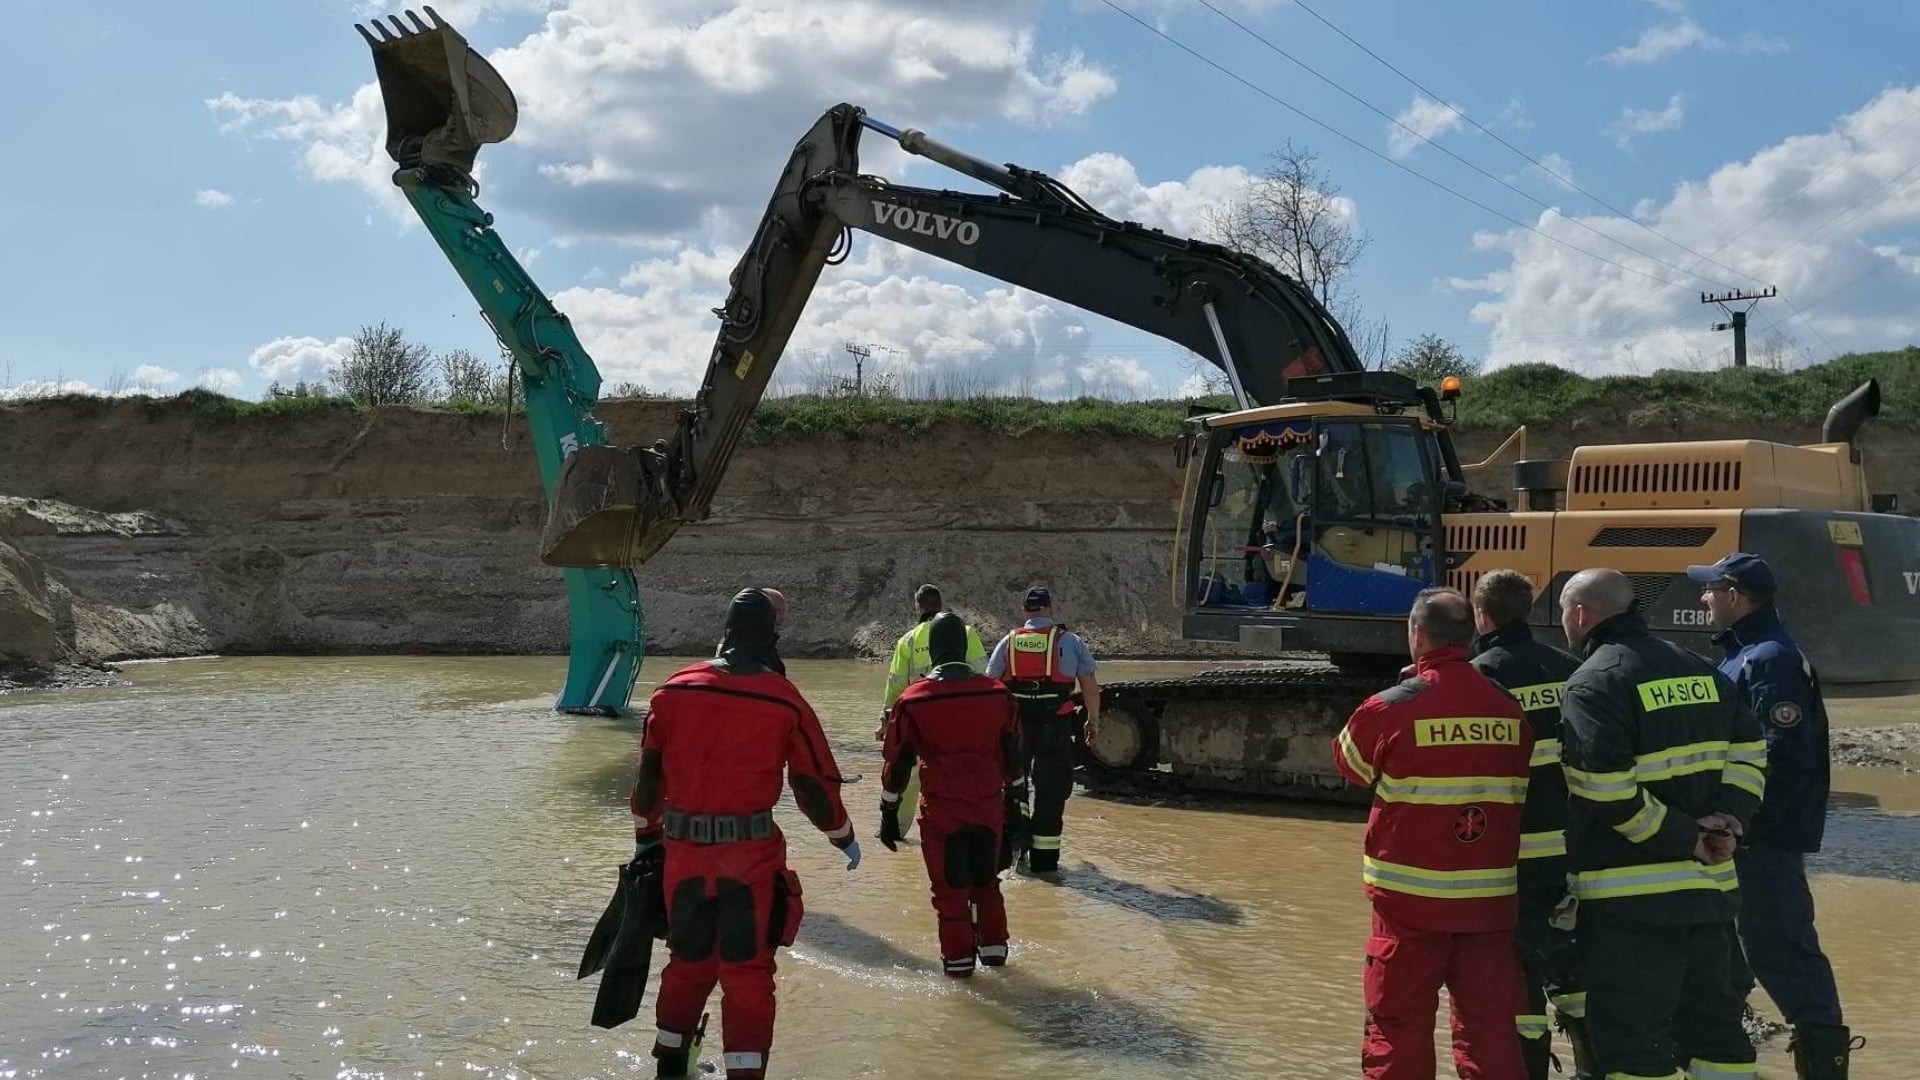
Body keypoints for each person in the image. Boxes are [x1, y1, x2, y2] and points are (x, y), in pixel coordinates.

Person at [628, 588, 861, 1080]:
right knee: (748, 972)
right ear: (771, 634)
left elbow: (648, 780)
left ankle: (670, 1065)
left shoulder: (673, 689)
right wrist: (842, 835)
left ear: (726, 629)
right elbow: (812, 784)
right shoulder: (783, 699)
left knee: (687, 963)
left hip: (683, 852)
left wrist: (646, 838)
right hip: (748, 856)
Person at [1556, 567, 1766, 1080]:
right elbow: (1751, 753)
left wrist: (1687, 839)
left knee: (1632, 1045)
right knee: (1718, 1037)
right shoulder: (1701, 669)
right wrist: (1731, 819)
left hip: (1633, 907)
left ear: (1581, 615)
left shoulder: (1594, 682)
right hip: (1712, 895)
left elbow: (1601, 786)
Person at [1331, 586, 1533, 1080]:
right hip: (1489, 904)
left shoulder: (1389, 706)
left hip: (1407, 906)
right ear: (1471, 634)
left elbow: (1350, 766)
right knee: (1491, 1030)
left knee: (1397, 1026)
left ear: (1417, 635)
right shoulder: (1507, 706)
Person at [1689, 552, 1860, 1078]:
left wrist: (1742, 827)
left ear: (1735, 597)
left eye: (1710, 590)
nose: (1703, 598)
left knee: (1783, 950)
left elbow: (1782, 757)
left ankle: (1822, 1059)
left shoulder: (1768, 659)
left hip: (1763, 840)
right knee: (1736, 953)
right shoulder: (1746, 653)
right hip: (1749, 838)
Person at [1466, 570, 1590, 1079]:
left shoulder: (1481, 677)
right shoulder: (1574, 670)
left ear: (1482, 615)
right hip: (1578, 851)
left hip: (1513, 858)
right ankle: (1594, 1066)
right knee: (1577, 971)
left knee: (1518, 979)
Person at [877, 611, 1024, 976]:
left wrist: (888, 813)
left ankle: (960, 975)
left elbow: (898, 765)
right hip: (989, 808)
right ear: (963, 646)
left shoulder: (913, 701)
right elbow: (1014, 758)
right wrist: (1016, 807)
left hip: (942, 813)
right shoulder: (998, 694)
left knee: (949, 894)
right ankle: (996, 956)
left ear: (933, 652)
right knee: (987, 885)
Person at [985, 585, 1100, 875]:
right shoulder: (1071, 642)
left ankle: (1014, 851)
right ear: (1050, 609)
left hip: (1016, 728)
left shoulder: (1008, 642)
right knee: (1051, 793)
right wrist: (1093, 720)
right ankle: (1045, 864)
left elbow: (990, 686)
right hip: (1056, 727)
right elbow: (1089, 686)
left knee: (1013, 788)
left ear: (1025, 611)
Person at [873, 584, 988, 839]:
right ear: (940, 604)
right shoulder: (966, 633)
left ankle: (896, 833)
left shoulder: (909, 639)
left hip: (918, 717)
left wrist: (886, 722)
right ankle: (959, 827)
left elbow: (896, 685)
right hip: (961, 718)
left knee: (908, 775)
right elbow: (984, 675)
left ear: (918, 606)